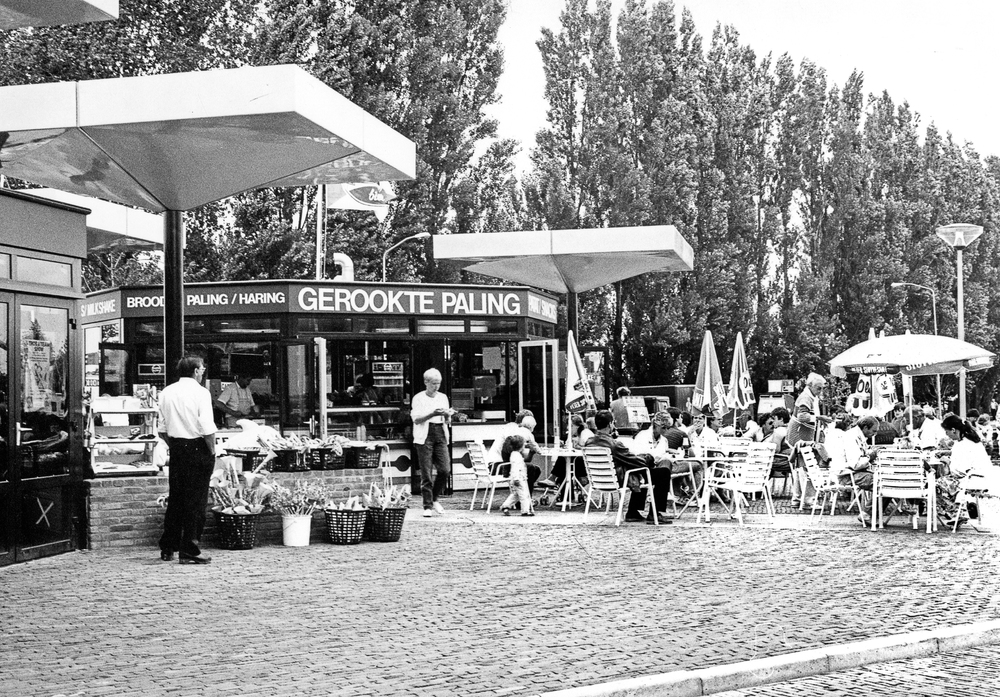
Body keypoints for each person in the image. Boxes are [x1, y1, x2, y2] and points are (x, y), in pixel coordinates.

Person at [158, 356, 218, 564]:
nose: (203, 372)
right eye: (202, 369)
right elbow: (207, 427)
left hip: (177, 448)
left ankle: (168, 546)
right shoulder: (201, 393)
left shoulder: (167, 392)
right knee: (196, 501)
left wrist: (175, 444)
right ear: (195, 371)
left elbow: (162, 429)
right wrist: (212, 451)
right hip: (197, 447)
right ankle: (190, 548)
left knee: (176, 498)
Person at [584, 410, 671, 523]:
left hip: (598, 479)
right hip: (619, 478)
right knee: (662, 473)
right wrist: (649, 458)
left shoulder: (589, 442)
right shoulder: (614, 444)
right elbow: (634, 460)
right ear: (610, 424)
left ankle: (633, 512)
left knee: (641, 472)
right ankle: (655, 513)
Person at [937, 414, 998, 527]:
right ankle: (959, 511)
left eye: (947, 431)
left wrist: (947, 461)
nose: (947, 435)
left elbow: (959, 471)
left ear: (953, 430)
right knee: (946, 483)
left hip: (973, 478)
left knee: (936, 485)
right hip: (982, 475)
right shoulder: (969, 439)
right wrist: (948, 454)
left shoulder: (963, 444)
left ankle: (957, 512)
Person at [411, 368, 454, 518]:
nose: (436, 386)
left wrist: (447, 415)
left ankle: (435, 498)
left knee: (445, 470)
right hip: (425, 434)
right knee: (426, 472)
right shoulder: (418, 398)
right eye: (434, 383)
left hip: (440, 432)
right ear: (426, 382)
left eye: (439, 383)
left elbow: (447, 421)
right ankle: (427, 505)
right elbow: (416, 419)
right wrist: (432, 414)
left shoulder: (443, 397)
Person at [832, 415, 880, 525]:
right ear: (865, 428)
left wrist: (869, 455)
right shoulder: (851, 437)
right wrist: (870, 457)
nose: (875, 434)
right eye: (874, 431)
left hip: (853, 472)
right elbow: (856, 464)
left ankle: (869, 514)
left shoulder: (856, 435)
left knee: (885, 481)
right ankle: (868, 514)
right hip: (846, 474)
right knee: (883, 483)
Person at [488, 411, 542, 493]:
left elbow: (520, 458)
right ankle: (525, 497)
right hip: (497, 465)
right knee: (530, 468)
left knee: (535, 469)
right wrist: (536, 449)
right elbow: (512, 451)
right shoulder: (513, 430)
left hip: (499, 464)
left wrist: (530, 453)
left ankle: (520, 494)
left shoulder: (513, 428)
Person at [499, 434, 534, 516]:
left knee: (516, 494)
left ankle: (505, 506)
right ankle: (525, 511)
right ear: (521, 446)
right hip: (519, 478)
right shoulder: (517, 456)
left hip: (516, 478)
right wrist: (516, 478)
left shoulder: (514, 454)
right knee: (524, 495)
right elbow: (516, 468)